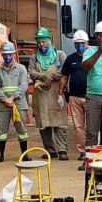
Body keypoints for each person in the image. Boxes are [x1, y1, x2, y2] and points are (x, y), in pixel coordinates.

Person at [28, 27, 69, 160]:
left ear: (48, 41)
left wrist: (52, 76)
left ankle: (62, 150)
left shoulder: (59, 54)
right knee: (43, 124)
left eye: (43, 42)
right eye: (39, 42)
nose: (41, 45)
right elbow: (31, 71)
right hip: (41, 95)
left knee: (60, 123)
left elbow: (65, 69)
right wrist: (42, 77)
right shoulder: (34, 58)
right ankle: (50, 150)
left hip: (56, 93)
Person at [0, 42, 30, 163]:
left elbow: (24, 85)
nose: (7, 56)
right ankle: (0, 155)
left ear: (14, 54)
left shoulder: (21, 69)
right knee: (2, 130)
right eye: (5, 54)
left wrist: (12, 97)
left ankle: (25, 154)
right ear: (2, 55)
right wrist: (5, 99)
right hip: (3, 104)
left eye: (9, 54)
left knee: (21, 129)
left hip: (18, 103)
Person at [60, 30, 90, 168]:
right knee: (78, 127)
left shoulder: (92, 57)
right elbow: (64, 76)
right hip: (75, 97)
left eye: (82, 43)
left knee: (92, 126)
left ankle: (92, 150)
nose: (79, 46)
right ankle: (83, 152)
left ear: (87, 43)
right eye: (77, 44)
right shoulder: (70, 59)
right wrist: (61, 93)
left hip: (91, 97)